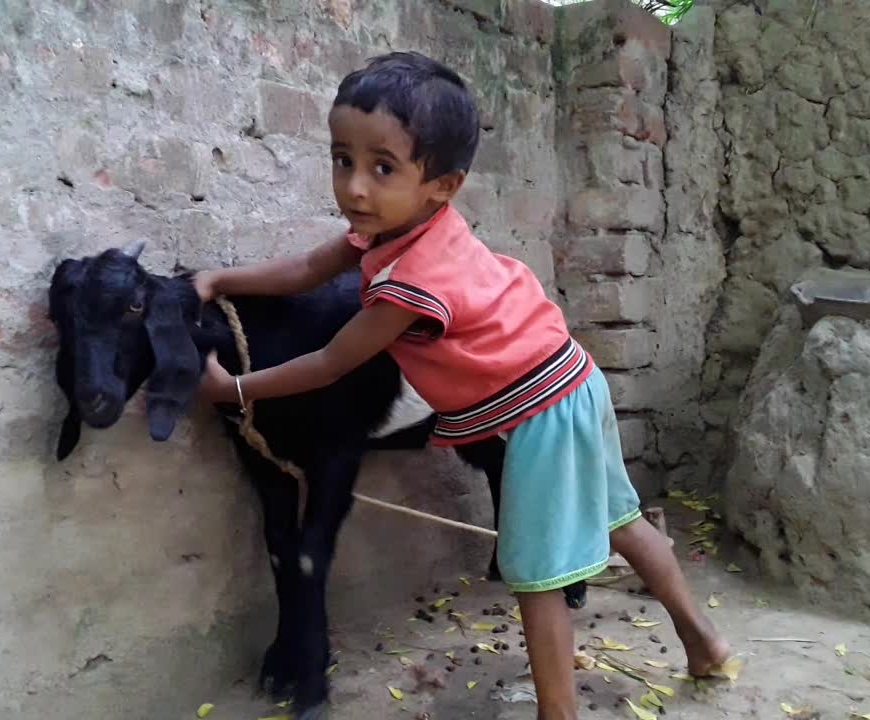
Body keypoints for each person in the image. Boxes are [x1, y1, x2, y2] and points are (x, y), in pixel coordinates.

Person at [192, 50, 730, 719]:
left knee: (537, 577)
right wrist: (219, 281)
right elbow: (305, 267)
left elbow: (332, 362)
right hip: (573, 379)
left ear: (441, 186)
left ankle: (557, 712)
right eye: (342, 159)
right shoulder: (394, 226)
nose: (354, 186)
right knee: (620, 518)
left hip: (538, 414)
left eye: (381, 167)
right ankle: (702, 638)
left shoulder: (410, 283)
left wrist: (236, 391)